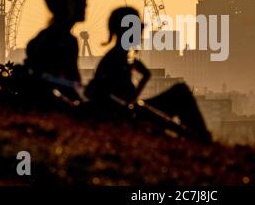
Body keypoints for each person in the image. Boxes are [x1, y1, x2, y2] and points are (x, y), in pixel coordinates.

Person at [85, 7, 211, 141]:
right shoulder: (115, 59)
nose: (140, 33)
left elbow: (126, 98)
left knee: (180, 93)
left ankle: (200, 137)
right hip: (128, 117)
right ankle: (201, 137)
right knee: (180, 93)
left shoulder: (120, 57)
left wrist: (145, 77)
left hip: (128, 114)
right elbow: (114, 100)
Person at [24, 0, 87, 84]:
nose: (85, 5)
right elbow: (72, 82)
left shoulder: (45, 36)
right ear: (69, 5)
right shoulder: (64, 41)